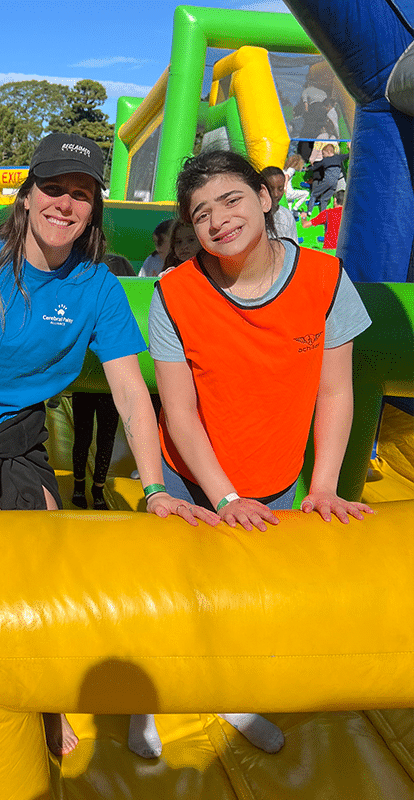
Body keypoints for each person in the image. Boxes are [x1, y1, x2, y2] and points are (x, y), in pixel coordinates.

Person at [0, 132, 220, 757]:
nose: (65, 205)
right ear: (26, 197)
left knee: (43, 554)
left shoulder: (98, 286)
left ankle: (45, 701)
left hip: (19, 433)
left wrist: (155, 488)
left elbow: (132, 393)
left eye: (81, 195)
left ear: (93, 211)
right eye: (53, 189)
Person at [131, 149, 374, 761]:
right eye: (202, 213)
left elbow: (335, 389)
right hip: (195, 477)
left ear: (266, 199)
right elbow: (179, 412)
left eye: (232, 201)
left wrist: (322, 486)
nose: (219, 221)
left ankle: (231, 693)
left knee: (246, 598)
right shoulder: (175, 292)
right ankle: (146, 698)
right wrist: (226, 496)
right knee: (173, 592)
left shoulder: (323, 276)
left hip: (277, 477)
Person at [71, 253, 134, 510]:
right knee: (84, 436)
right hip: (87, 382)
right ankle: (79, 485)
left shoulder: (121, 308)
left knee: (104, 437)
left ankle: (97, 487)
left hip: (108, 385)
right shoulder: (90, 301)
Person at [305, 143, 349, 216]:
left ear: (328, 152)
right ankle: (323, 216)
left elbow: (315, 167)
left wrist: (306, 168)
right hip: (334, 184)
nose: (322, 156)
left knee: (314, 194)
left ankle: (309, 211)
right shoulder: (339, 158)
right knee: (324, 199)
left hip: (327, 182)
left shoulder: (325, 160)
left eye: (323, 153)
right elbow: (348, 155)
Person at [261, 165, 298, 241]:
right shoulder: (253, 215)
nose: (275, 194)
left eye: (280, 189)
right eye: (270, 188)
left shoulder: (287, 216)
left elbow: (293, 246)